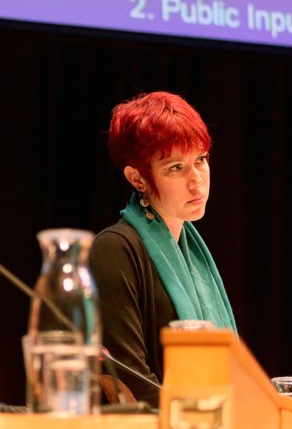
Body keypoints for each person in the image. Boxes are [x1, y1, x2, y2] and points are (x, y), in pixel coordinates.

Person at [89, 91, 236, 407]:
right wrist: (202, 424)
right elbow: (128, 378)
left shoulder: (193, 254)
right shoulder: (114, 251)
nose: (197, 181)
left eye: (201, 160)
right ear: (138, 178)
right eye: (175, 168)